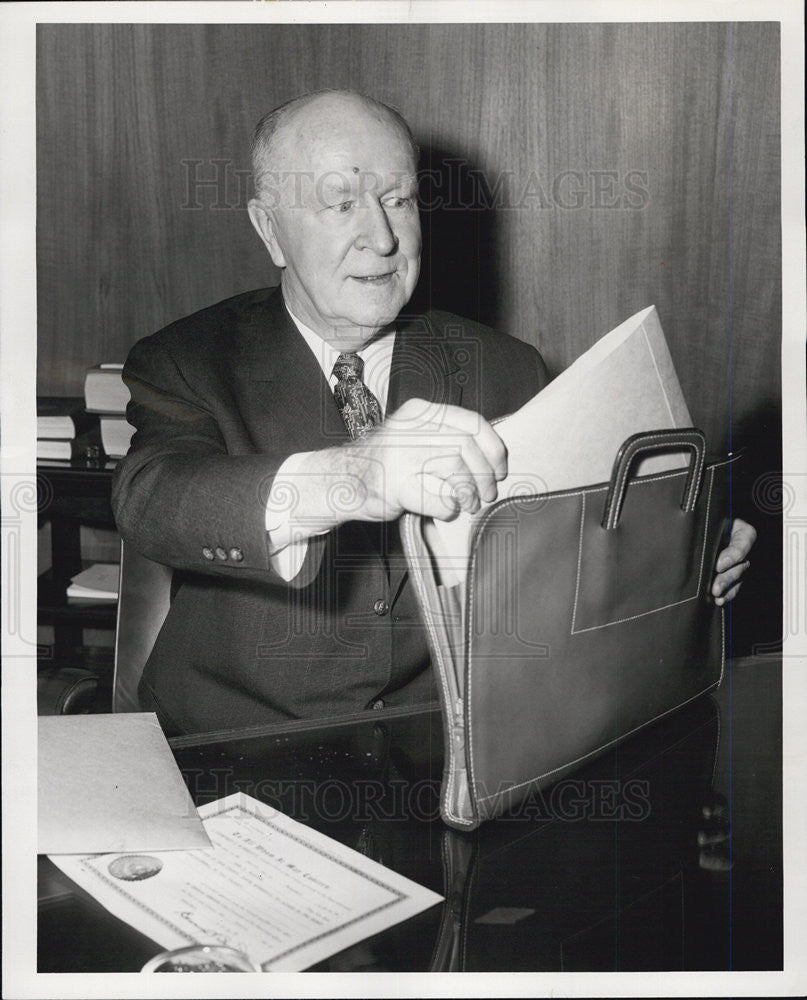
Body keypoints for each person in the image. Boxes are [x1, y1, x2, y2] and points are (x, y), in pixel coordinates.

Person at [111, 90, 755, 735]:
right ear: (269, 228)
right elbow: (152, 499)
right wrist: (356, 476)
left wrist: (678, 567)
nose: (383, 238)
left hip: (447, 745)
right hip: (238, 748)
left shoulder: (508, 368)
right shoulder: (188, 359)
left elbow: (569, 566)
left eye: (398, 200)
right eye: (340, 204)